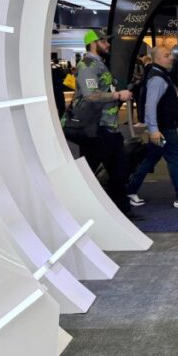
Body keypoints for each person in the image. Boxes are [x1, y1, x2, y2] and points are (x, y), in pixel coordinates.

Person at [64, 30, 135, 218]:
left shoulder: (99, 64)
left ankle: (122, 211)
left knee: (118, 170)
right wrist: (117, 95)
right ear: (93, 43)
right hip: (96, 128)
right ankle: (83, 211)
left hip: (108, 127)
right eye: (104, 41)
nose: (107, 44)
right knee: (90, 171)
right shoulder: (87, 65)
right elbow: (90, 95)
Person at [125, 46, 178, 209]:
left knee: (151, 159)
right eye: (166, 55)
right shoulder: (157, 78)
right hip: (164, 130)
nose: (171, 58)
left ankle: (129, 191)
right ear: (156, 59)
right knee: (174, 158)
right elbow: (150, 105)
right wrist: (154, 130)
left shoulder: (160, 74)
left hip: (162, 129)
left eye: (170, 55)